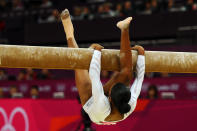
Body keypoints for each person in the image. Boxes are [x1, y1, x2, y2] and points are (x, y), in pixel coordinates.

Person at [61, 9, 145, 125]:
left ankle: (69, 33)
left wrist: (96, 52)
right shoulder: (130, 104)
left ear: (109, 97)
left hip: (92, 105)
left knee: (79, 63)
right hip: (108, 104)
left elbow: (94, 77)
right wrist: (141, 55)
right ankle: (124, 29)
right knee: (126, 74)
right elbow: (139, 80)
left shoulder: (102, 106)